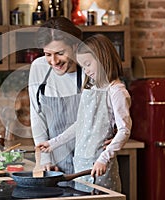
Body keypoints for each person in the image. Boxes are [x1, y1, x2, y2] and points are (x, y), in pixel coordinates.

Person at [36, 34, 132, 192]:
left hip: (99, 166)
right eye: (83, 66)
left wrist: (104, 159)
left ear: (102, 59)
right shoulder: (92, 88)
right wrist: (53, 144)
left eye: (88, 64)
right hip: (80, 164)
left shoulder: (116, 91)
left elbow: (124, 130)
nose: (86, 71)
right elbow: (80, 124)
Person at [28, 16, 84, 175]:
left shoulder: (90, 67)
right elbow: (37, 116)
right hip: (56, 165)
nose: (54, 61)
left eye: (60, 53)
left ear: (74, 46)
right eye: (47, 54)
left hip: (92, 163)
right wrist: (45, 160)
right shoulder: (39, 67)